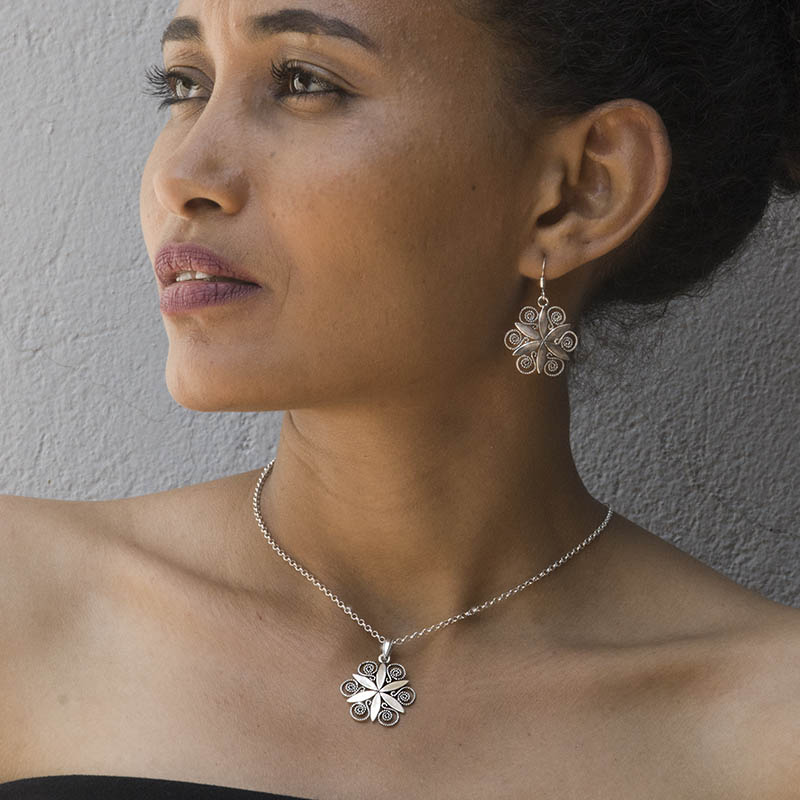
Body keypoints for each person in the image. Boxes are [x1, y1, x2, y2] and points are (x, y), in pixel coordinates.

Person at [1, 1, 799, 798]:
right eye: (184, 85)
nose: (182, 177)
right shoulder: (21, 600)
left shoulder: (771, 731)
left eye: (303, 81)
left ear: (580, 190)